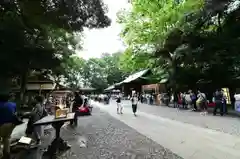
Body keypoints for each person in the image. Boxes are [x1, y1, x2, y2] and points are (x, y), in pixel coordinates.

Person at [0, 92, 17, 159]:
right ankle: (7, 154)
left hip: (1, 124)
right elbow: (15, 113)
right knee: (7, 138)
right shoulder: (13, 104)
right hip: (10, 124)